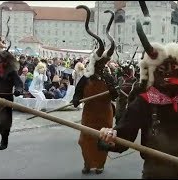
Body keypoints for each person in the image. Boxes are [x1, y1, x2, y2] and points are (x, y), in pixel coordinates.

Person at [98, 2, 178, 178]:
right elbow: (123, 137)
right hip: (154, 174)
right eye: (162, 70)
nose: (168, 76)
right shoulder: (144, 102)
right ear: (153, 73)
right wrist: (109, 136)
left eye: (174, 70)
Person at [72, 5, 118, 174]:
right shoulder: (86, 77)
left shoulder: (108, 77)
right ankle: (87, 163)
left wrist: (113, 91)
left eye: (102, 65)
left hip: (105, 115)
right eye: (98, 65)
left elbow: (115, 94)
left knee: (103, 140)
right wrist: (76, 100)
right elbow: (77, 93)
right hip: (90, 114)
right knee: (85, 139)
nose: (100, 68)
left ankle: (99, 165)